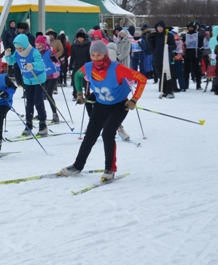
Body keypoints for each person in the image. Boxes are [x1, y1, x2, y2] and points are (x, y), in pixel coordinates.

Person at [59, 40, 147, 181]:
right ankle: (78, 165)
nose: (95, 58)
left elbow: (142, 79)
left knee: (108, 134)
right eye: (93, 55)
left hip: (119, 105)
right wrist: (79, 93)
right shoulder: (88, 67)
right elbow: (77, 75)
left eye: (99, 55)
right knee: (90, 136)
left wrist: (134, 100)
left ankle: (110, 169)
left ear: (105, 54)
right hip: (101, 104)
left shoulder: (117, 68)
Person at [6, 33, 48, 137]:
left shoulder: (34, 52)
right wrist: (7, 55)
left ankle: (42, 124)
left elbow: (41, 66)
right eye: (17, 48)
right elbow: (10, 62)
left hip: (38, 79)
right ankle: (29, 123)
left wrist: (32, 65)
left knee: (38, 101)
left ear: (25, 45)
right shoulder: (17, 53)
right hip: (27, 80)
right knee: (29, 102)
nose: (19, 50)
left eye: (20, 48)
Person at [35, 35, 61, 124]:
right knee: (40, 95)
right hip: (43, 76)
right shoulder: (37, 53)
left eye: (39, 45)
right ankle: (41, 114)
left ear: (43, 44)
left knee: (49, 94)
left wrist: (57, 68)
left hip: (53, 75)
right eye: (36, 45)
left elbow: (57, 62)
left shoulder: (50, 52)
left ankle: (55, 115)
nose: (37, 47)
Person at [148, 20, 175, 98]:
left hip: (166, 57)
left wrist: (168, 47)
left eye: (161, 27)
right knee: (160, 75)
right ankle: (164, 91)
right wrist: (149, 40)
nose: (159, 29)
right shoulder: (154, 36)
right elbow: (152, 47)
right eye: (158, 27)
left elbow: (174, 46)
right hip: (157, 58)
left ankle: (170, 91)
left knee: (167, 75)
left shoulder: (168, 35)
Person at [68, 28, 91, 99]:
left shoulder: (88, 45)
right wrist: (70, 65)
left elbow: (90, 56)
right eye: (79, 38)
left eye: (82, 38)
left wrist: (90, 65)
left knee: (86, 81)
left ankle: (87, 94)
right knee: (76, 80)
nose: (80, 39)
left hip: (85, 65)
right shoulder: (74, 46)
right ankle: (75, 94)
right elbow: (72, 56)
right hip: (77, 64)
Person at [184, 22, 203, 90]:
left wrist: (200, 52)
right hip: (187, 55)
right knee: (186, 70)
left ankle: (198, 84)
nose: (190, 28)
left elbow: (201, 45)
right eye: (189, 27)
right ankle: (186, 85)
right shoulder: (185, 35)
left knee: (197, 70)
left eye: (192, 27)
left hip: (195, 54)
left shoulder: (198, 35)